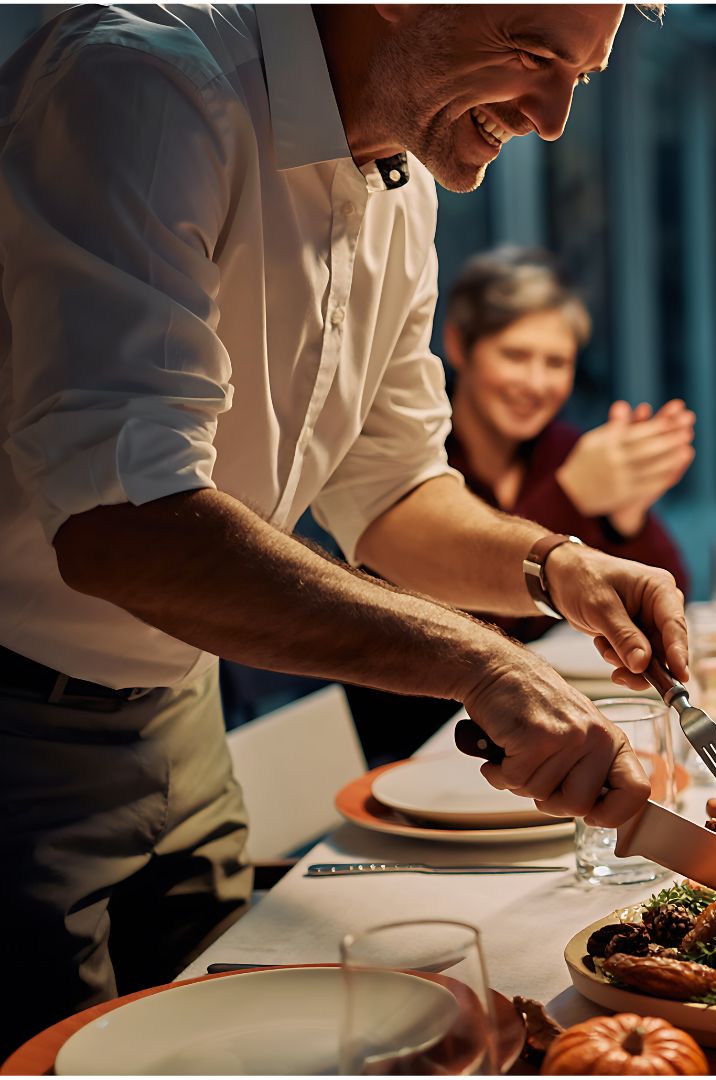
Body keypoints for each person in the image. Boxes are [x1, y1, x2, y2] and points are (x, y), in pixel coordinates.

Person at [0, 5, 681, 1053]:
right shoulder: (146, 82)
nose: (550, 119)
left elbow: (393, 489)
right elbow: (121, 525)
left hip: (185, 706)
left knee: (232, 1050)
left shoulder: (399, 178)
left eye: (580, 79)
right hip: (21, 728)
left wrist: (555, 565)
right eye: (531, 52)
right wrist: (478, 666)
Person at [345, 247, 697, 762]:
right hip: (418, 747)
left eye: (556, 362)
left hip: (544, 742)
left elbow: (668, 607)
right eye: (515, 355)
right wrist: (571, 498)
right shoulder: (404, 459)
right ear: (459, 345)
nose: (535, 383)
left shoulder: (562, 450)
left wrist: (626, 518)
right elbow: (456, 627)